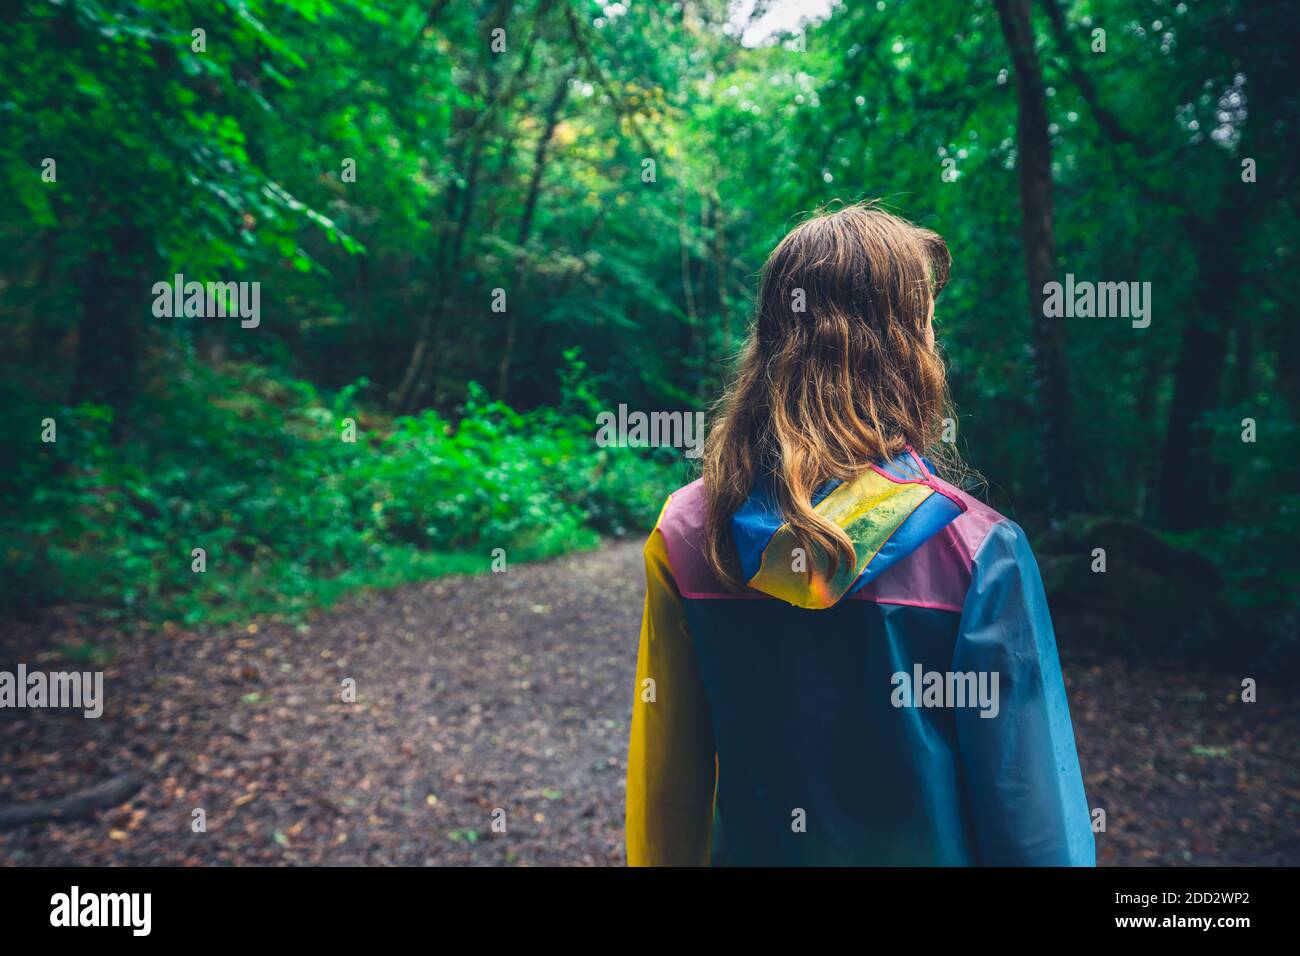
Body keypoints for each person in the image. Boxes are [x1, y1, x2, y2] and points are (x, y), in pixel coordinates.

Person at [624, 202, 1095, 866]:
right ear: (903, 350)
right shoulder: (980, 552)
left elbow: (668, 791)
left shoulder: (685, 533)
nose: (935, 345)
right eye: (927, 326)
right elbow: (1033, 824)